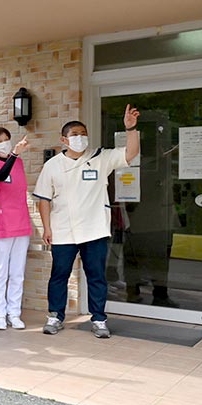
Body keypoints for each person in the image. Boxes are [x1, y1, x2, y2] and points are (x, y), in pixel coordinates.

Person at [33, 106, 140, 339]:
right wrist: (47, 228)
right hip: (62, 231)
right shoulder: (52, 165)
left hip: (94, 230)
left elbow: (130, 153)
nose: (80, 138)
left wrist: (131, 128)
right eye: (74, 135)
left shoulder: (100, 157)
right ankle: (55, 316)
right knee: (59, 275)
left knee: (96, 276)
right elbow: (43, 200)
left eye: (83, 134)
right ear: (63, 139)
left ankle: (99, 319)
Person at [0, 128, 31, 330]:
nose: (6, 143)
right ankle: (0, 314)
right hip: (1, 225)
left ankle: (14, 313)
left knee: (17, 273)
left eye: (7, 139)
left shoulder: (18, 163)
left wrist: (14, 157)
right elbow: (1, 176)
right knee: (0, 273)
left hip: (21, 223)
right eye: (0, 141)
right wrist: (14, 154)